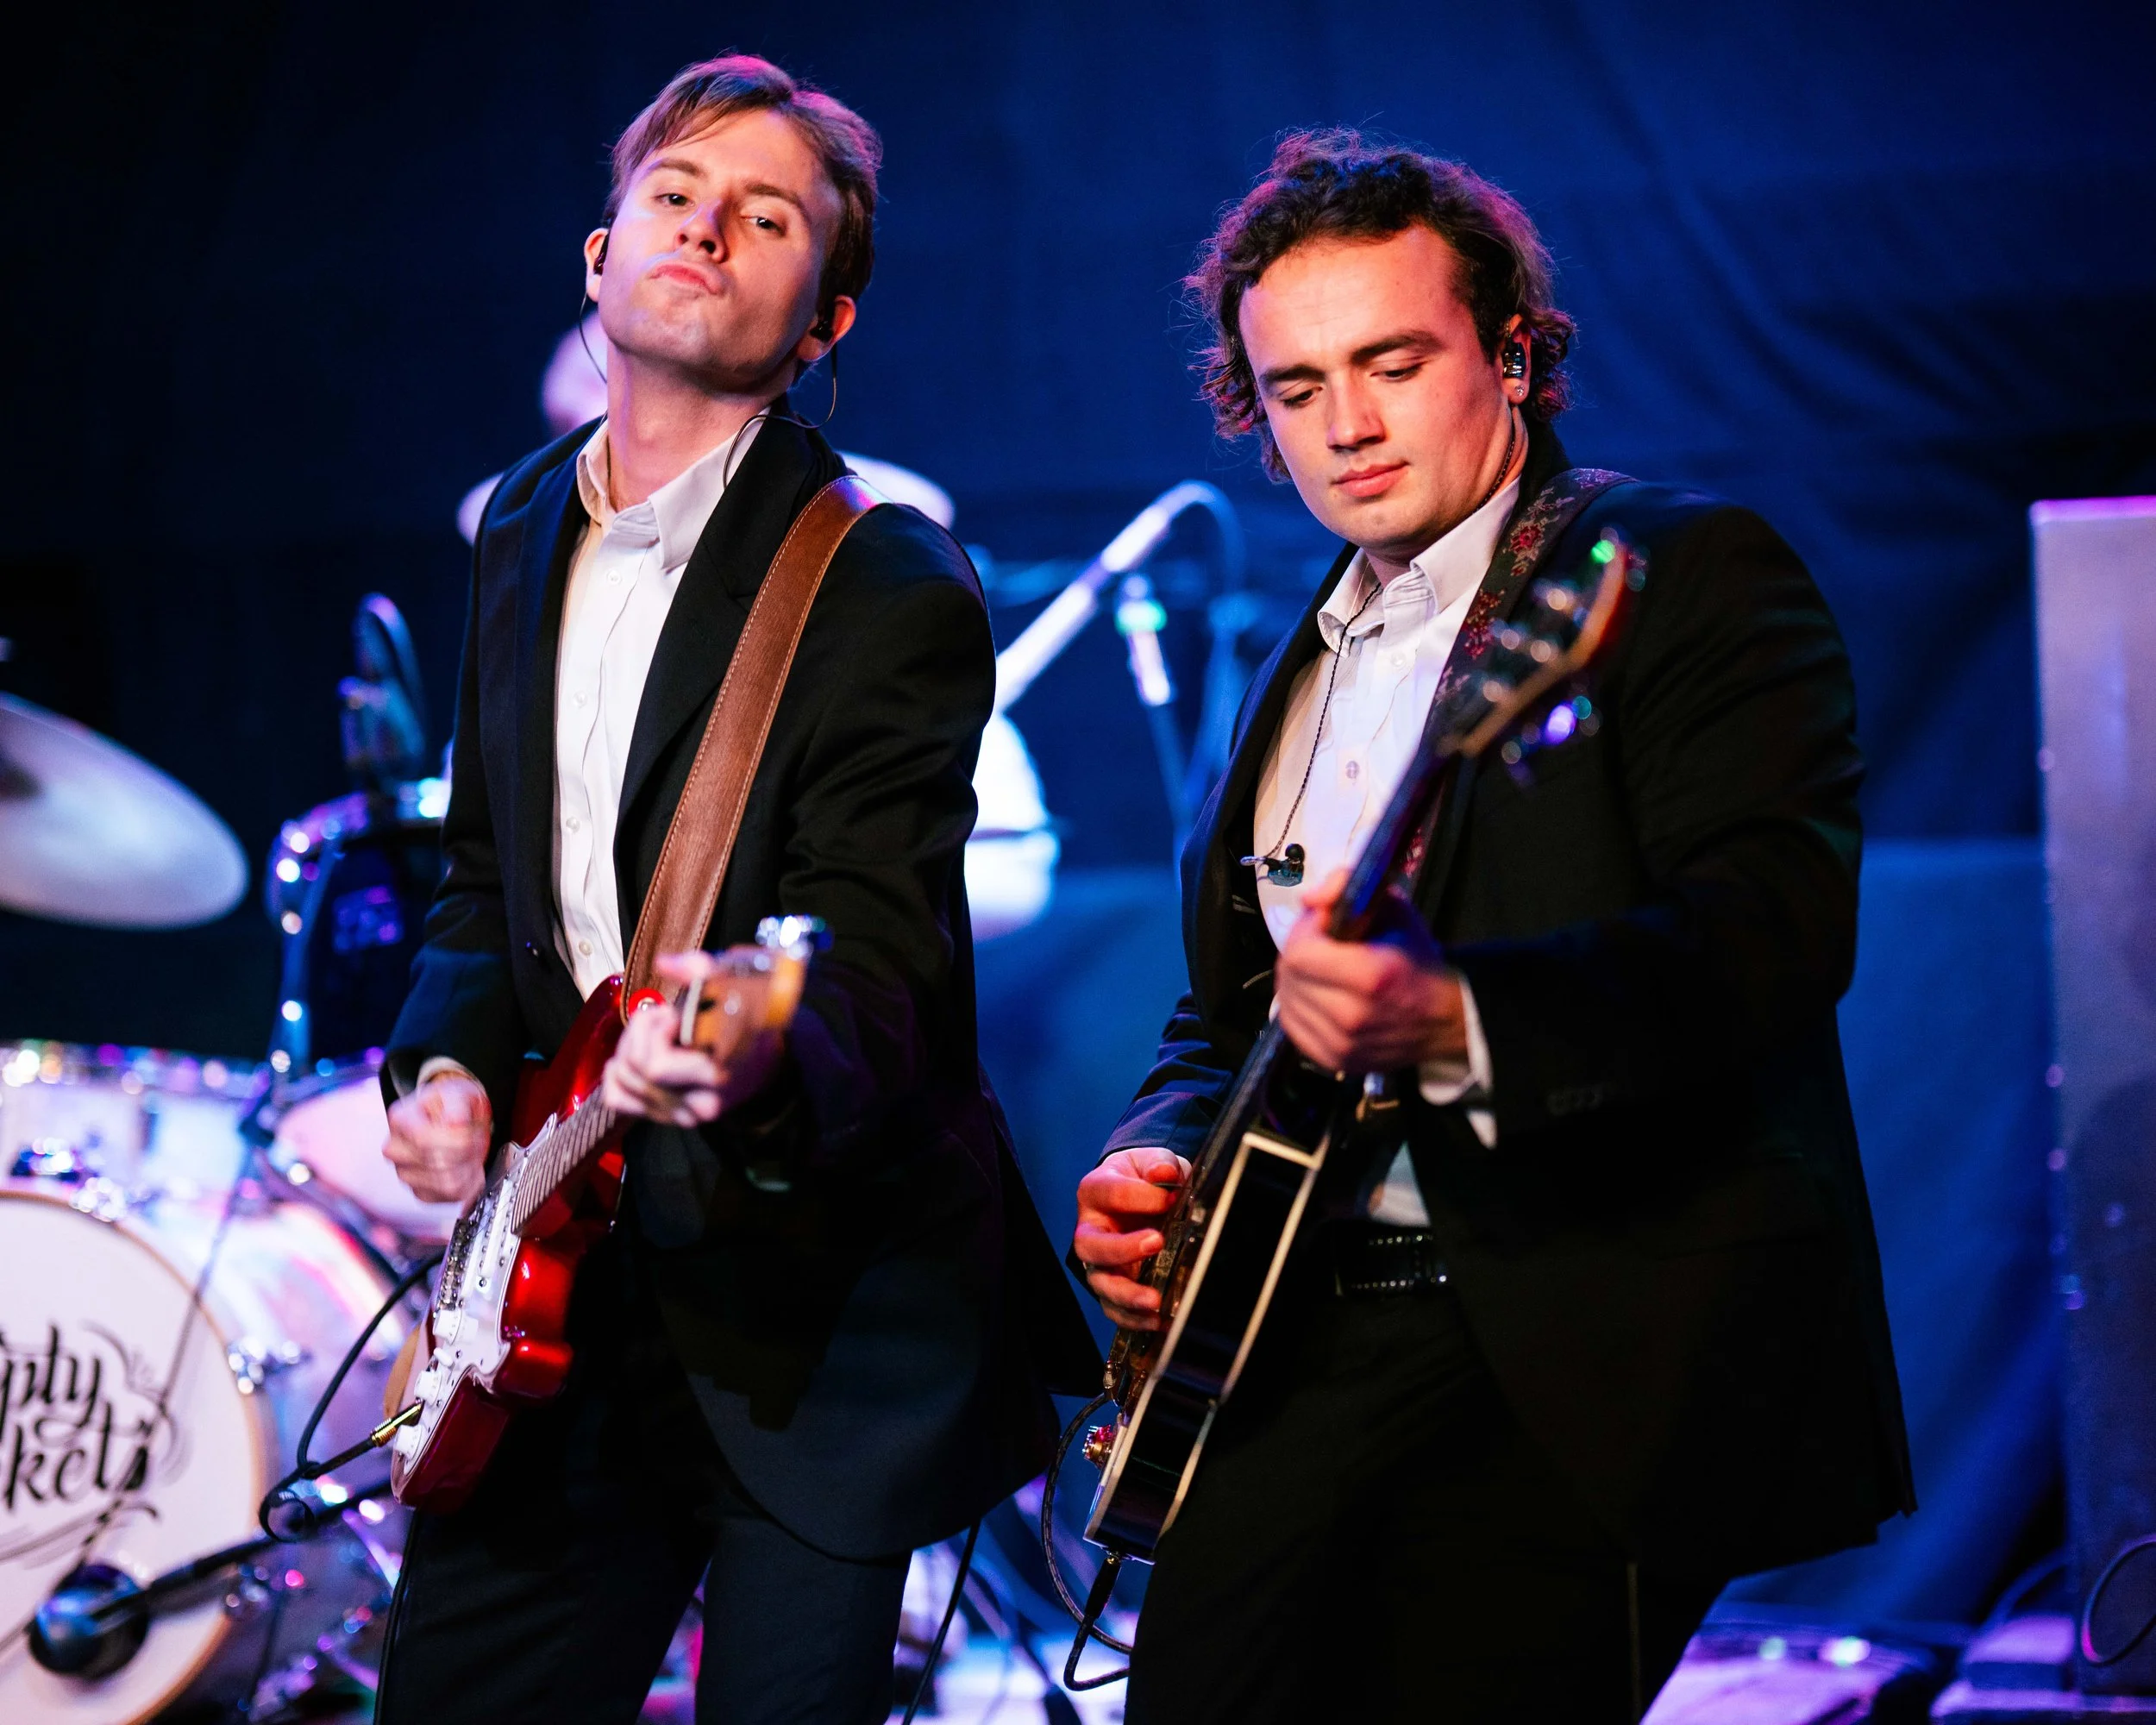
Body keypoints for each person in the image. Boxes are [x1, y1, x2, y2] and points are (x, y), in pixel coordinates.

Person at [1070, 131, 1914, 1722]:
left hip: (1571, 1335)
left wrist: (1454, 1022)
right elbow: (1237, 1017)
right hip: (1293, 1336)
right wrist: (1153, 1153)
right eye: (1299, 386)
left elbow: (1773, 934)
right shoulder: (1295, 663)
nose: (1351, 424)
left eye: (1393, 360)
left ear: (1512, 353)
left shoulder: (1672, 572)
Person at [374, 54, 1096, 1725]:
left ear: (823, 320)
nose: (706, 227)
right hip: (559, 1289)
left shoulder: (881, 573)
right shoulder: (519, 527)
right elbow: (487, 883)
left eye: (765, 217)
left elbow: (878, 962)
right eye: (675, 196)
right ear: (597, 255)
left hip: (814, 1310)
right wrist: (443, 1069)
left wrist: (755, 1046)